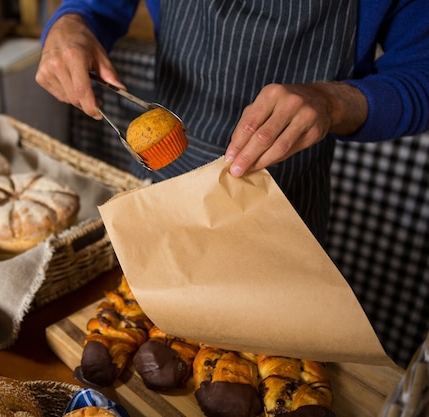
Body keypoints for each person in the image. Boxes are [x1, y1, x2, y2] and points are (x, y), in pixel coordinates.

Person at [35, 0, 429, 247]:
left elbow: (421, 72)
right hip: (171, 176)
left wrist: (334, 102)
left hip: (287, 199)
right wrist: (74, 19)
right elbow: (95, 6)